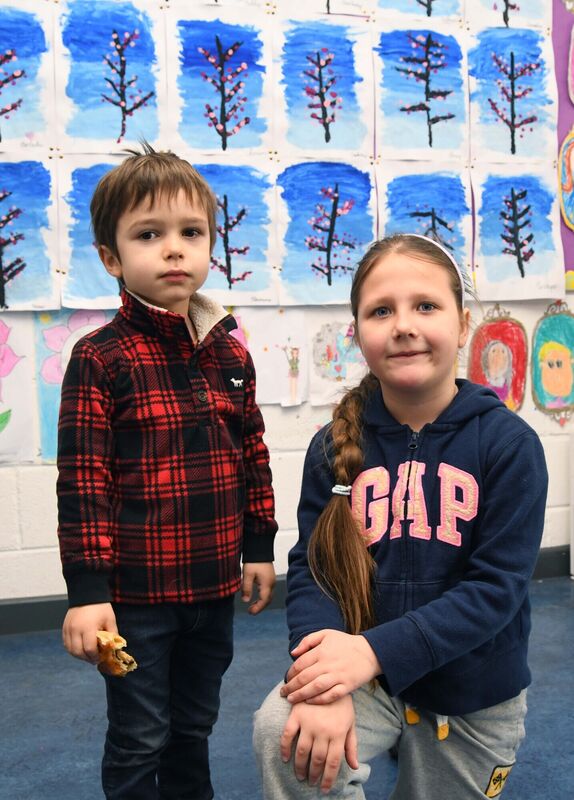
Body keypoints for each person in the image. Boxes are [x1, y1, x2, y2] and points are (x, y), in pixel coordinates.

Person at [253, 233, 547, 799]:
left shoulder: (509, 445)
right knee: (282, 733)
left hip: (473, 689)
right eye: (381, 310)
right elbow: (317, 569)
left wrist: (373, 651)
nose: (404, 324)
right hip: (368, 677)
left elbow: (496, 589)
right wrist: (325, 683)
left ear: (463, 326)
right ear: (357, 334)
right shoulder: (332, 446)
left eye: (426, 306)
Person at [57, 143, 277, 800]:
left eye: (191, 232)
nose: (175, 249)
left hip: (212, 591)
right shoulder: (100, 358)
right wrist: (87, 591)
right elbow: (83, 482)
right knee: (140, 734)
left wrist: (259, 546)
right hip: (135, 600)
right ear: (112, 258)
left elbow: (253, 451)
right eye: (149, 235)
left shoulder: (230, 350)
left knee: (194, 726)